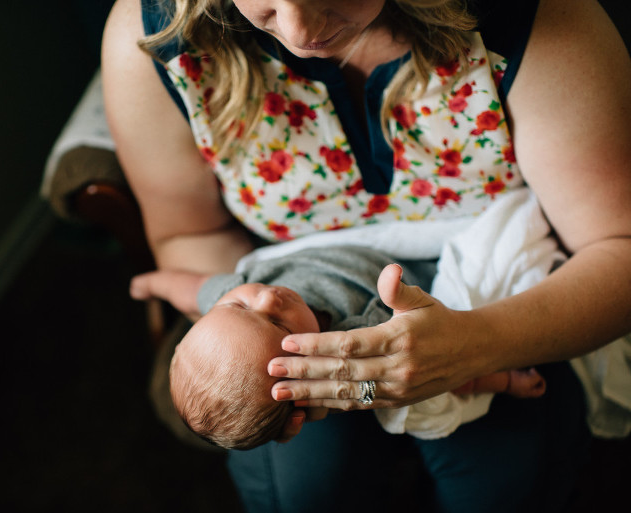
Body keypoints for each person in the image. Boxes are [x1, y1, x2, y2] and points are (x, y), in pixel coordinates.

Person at [102, 0, 631, 510]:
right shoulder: (161, 35)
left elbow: (618, 246)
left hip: (495, 293)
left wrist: (478, 350)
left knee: (498, 475)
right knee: (305, 491)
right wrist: (174, 294)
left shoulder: (538, 23)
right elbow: (190, 247)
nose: (299, 28)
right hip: (292, 340)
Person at [130, 245, 546, 450]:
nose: (269, 298)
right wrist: (501, 377)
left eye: (240, 303)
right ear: (306, 379)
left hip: (348, 239)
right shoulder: (356, 351)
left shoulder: (224, 302)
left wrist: (153, 283)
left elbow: (192, 290)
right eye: (275, 324)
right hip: (416, 275)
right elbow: (440, 374)